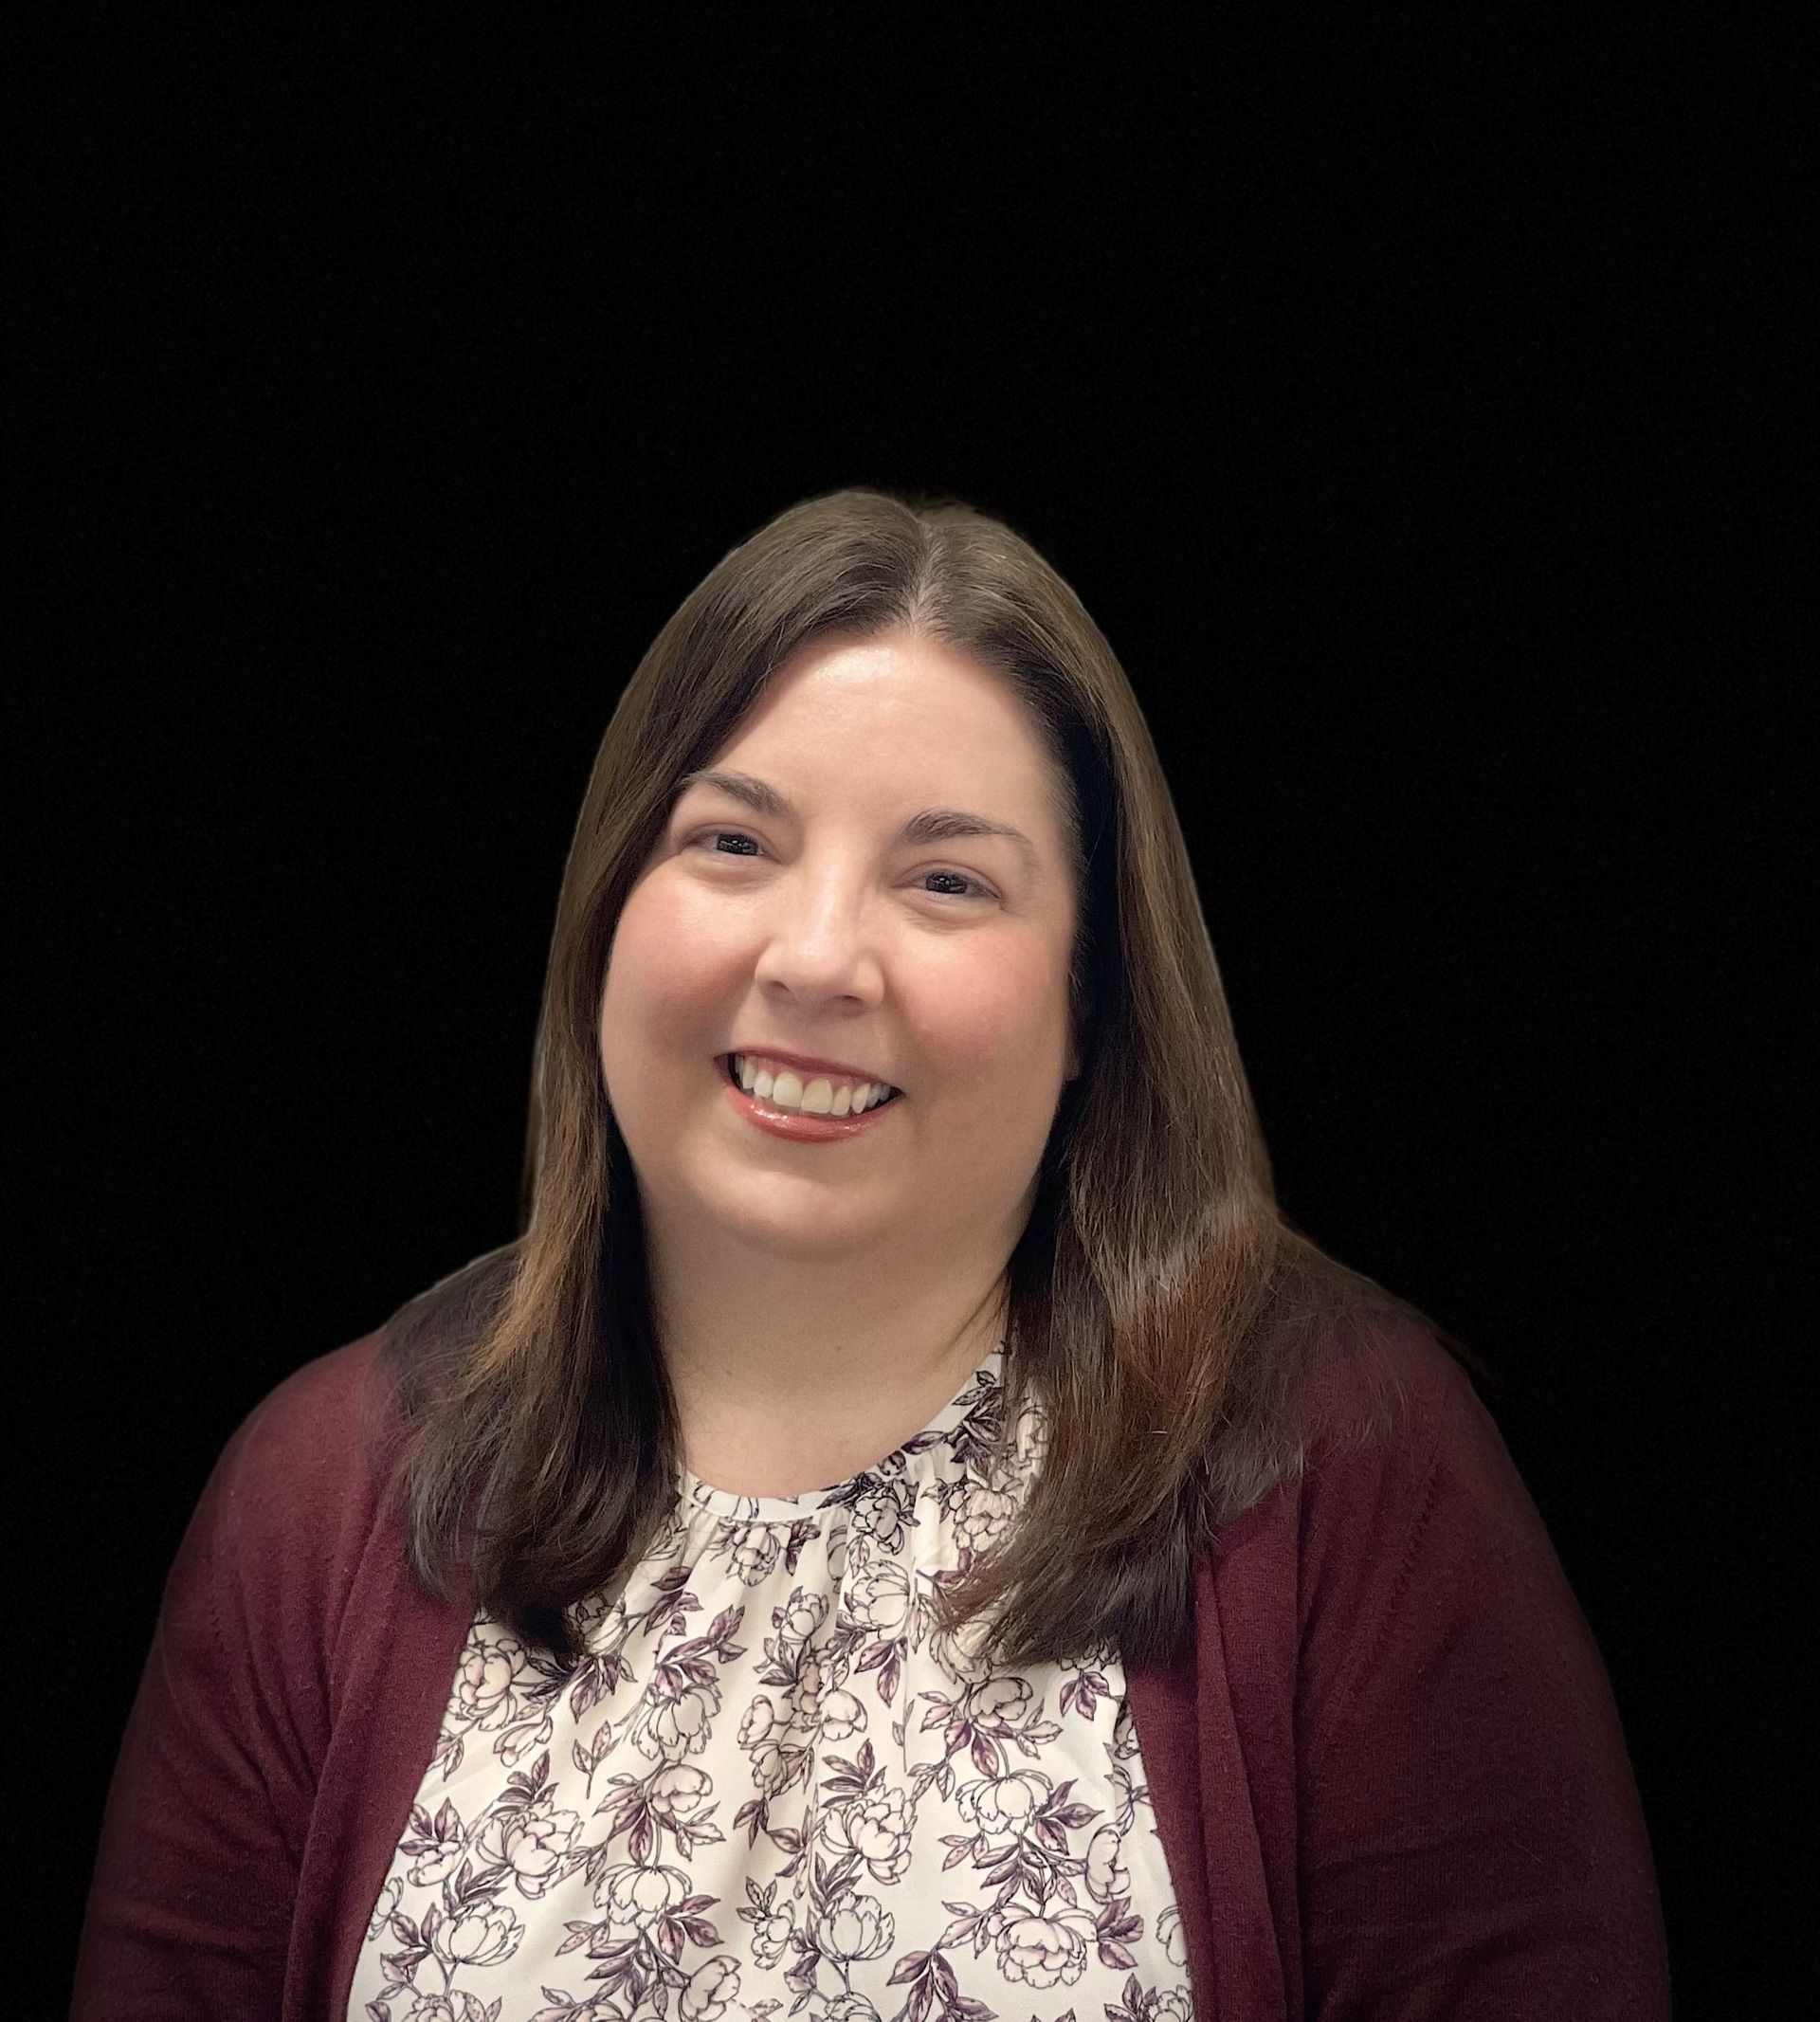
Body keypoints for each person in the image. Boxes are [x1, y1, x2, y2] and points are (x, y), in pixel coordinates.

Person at [73, 488, 1670, 2020]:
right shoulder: (316, 1502)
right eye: (734, 843)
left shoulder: (1342, 1470)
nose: (820, 956)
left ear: (1092, 1005)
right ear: (608, 907)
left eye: (947, 879)